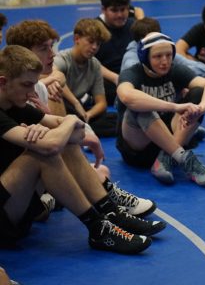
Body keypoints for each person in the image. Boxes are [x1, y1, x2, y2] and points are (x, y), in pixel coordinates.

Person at [0, 45, 166, 254]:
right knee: (43, 154)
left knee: (63, 143)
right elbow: (55, 141)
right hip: (5, 216)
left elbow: (78, 135)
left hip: (17, 205)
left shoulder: (17, 104)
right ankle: (98, 227)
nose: (32, 93)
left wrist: (64, 127)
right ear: (3, 82)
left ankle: (111, 213)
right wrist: (69, 121)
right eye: (26, 85)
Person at [5, 19, 157, 217]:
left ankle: (99, 200)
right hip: (19, 183)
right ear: (23, 54)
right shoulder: (15, 95)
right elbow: (48, 145)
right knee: (69, 152)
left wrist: (78, 123)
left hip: (38, 174)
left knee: (93, 162)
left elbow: (66, 119)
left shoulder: (43, 86)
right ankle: (104, 200)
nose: (52, 54)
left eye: (51, 47)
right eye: (44, 49)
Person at [116, 32, 205, 186]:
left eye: (168, 55)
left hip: (166, 143)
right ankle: (184, 159)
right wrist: (175, 107)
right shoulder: (132, 73)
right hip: (138, 150)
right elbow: (127, 97)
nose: (164, 61)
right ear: (145, 58)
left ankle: (166, 158)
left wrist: (199, 110)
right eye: (158, 56)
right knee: (141, 106)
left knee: (198, 93)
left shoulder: (175, 70)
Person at [54, 18, 111, 130]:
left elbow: (101, 103)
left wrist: (88, 115)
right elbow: (53, 76)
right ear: (77, 39)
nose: (94, 47)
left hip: (79, 111)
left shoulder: (94, 65)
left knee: (114, 120)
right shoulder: (62, 59)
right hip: (60, 109)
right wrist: (75, 103)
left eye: (98, 44)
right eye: (90, 41)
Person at [95, 0, 137, 106]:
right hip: (107, 78)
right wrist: (115, 78)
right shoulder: (94, 29)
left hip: (130, 75)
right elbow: (89, 62)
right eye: (114, 10)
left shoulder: (133, 26)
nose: (120, 15)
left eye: (123, 9)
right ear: (103, 10)